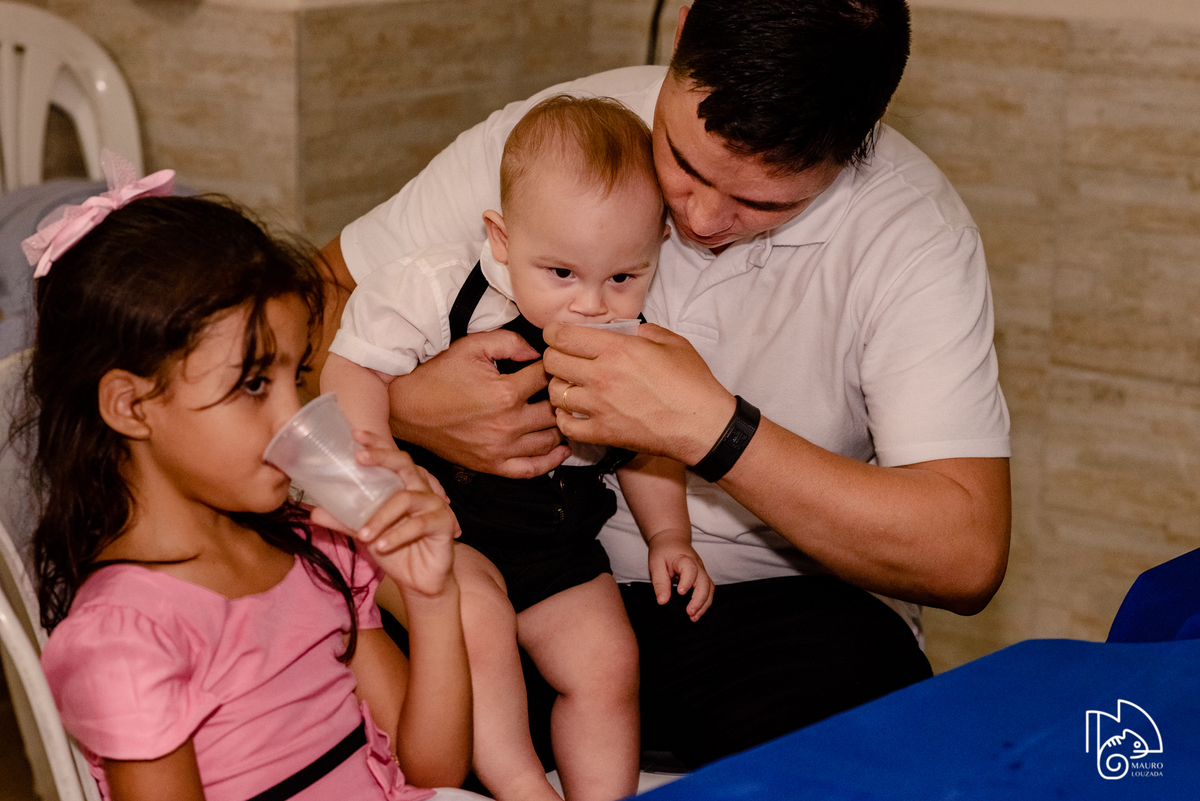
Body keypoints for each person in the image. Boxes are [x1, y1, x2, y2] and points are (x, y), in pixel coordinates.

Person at [315, 0, 1012, 768]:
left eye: (763, 203)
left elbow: (966, 554)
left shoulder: (910, 236)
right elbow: (307, 301)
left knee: (869, 702)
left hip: (755, 607)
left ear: (854, 148)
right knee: (324, 653)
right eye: (684, 161)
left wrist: (715, 432)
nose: (705, 218)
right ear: (680, 34)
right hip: (499, 559)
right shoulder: (559, 140)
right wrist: (412, 411)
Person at [21, 167, 479, 800]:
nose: (294, 417)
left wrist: (432, 599)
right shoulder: (127, 636)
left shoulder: (316, 550)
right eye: (255, 384)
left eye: (297, 377)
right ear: (130, 406)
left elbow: (432, 773)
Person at [322, 95, 712, 801]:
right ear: (502, 239)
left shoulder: (627, 335)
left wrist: (669, 534)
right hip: (449, 535)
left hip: (555, 542)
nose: (591, 304)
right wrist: (376, 455)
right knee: (481, 625)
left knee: (607, 660)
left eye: (623, 277)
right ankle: (520, 783)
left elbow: (651, 446)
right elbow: (354, 365)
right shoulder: (438, 288)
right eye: (561, 273)